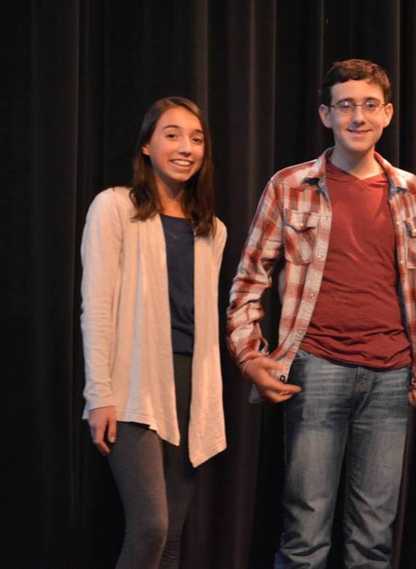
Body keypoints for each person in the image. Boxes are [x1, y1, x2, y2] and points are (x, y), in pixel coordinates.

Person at [227, 59, 416, 568]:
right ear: (325, 115)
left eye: (369, 105)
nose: (358, 116)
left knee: (372, 541)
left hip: (392, 376)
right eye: (346, 105)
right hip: (317, 370)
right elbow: (249, 282)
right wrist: (251, 357)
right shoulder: (291, 186)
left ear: (388, 114)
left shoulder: (413, 193)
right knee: (305, 537)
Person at [80, 96, 227, 569]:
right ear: (146, 145)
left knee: (171, 540)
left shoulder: (212, 230)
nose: (186, 147)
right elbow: (97, 306)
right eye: (172, 134)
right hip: (133, 384)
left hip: (191, 387)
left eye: (196, 138)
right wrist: (99, 393)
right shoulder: (115, 207)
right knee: (151, 527)